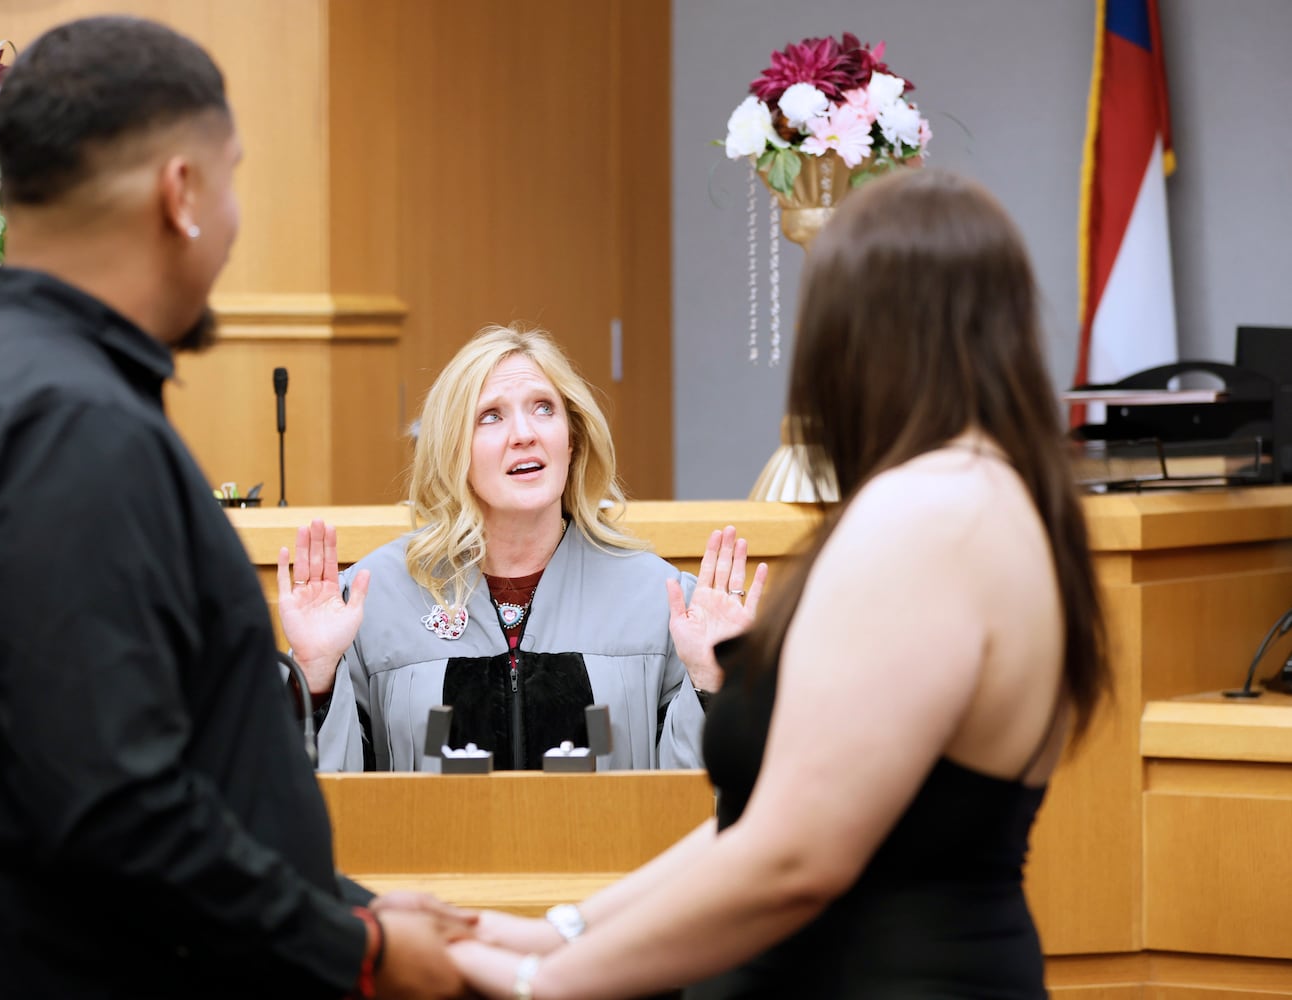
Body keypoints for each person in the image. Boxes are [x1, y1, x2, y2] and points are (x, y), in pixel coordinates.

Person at [0, 16, 465, 999]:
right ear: (182, 192)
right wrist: (360, 952)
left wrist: (346, 908)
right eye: (229, 180)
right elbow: (119, 809)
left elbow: (152, 765)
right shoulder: (68, 420)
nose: (231, 222)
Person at [448, 169, 1110, 998]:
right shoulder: (997, 493)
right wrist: (560, 933)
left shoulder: (930, 512)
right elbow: (769, 819)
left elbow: (795, 859)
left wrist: (540, 989)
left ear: (866, 336)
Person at [278, 325, 768, 771]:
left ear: (571, 440)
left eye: (543, 408)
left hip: (613, 870)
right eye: (490, 416)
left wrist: (712, 680)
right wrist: (315, 676)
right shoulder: (375, 600)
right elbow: (323, 809)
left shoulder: (658, 601)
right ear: (453, 451)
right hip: (433, 868)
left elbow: (693, 814)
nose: (524, 434)